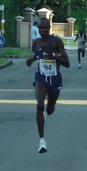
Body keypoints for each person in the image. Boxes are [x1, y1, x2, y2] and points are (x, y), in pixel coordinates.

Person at [26, 18, 70, 153]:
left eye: (45, 28)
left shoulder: (56, 41)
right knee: (39, 105)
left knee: (49, 109)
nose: (42, 30)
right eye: (40, 28)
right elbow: (37, 56)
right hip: (41, 78)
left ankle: (49, 110)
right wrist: (31, 60)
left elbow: (67, 63)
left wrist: (53, 55)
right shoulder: (36, 42)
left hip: (55, 79)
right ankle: (42, 141)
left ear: (49, 28)